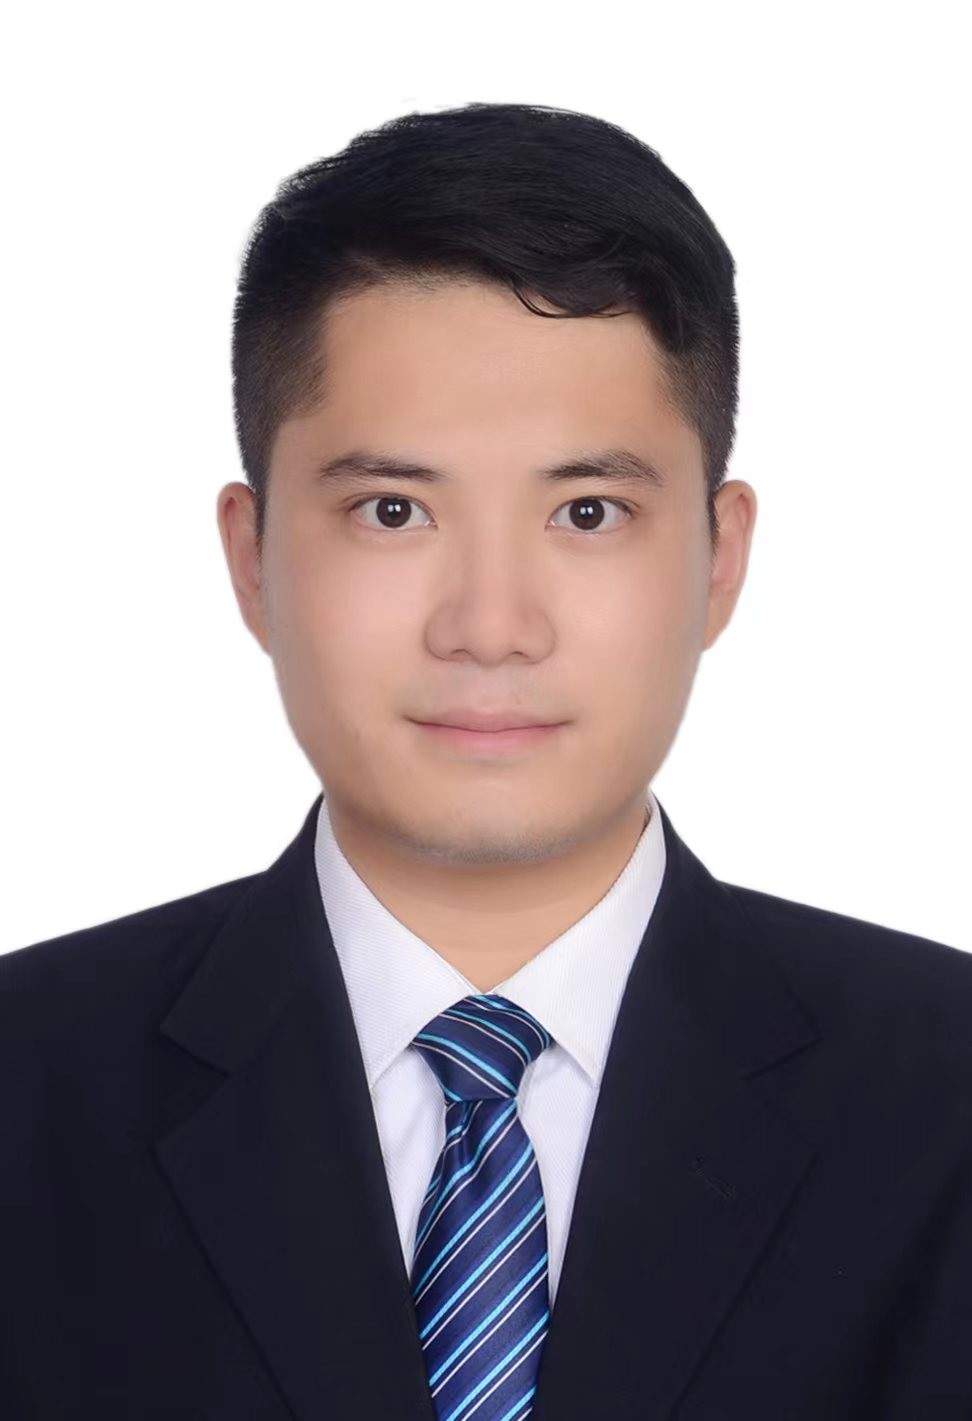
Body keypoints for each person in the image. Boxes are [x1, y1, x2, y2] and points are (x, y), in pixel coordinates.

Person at [2, 100, 970, 1421]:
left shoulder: (945, 1098)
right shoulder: (27, 1088)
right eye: (393, 510)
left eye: (588, 511)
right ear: (252, 557)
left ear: (719, 558)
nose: (490, 626)